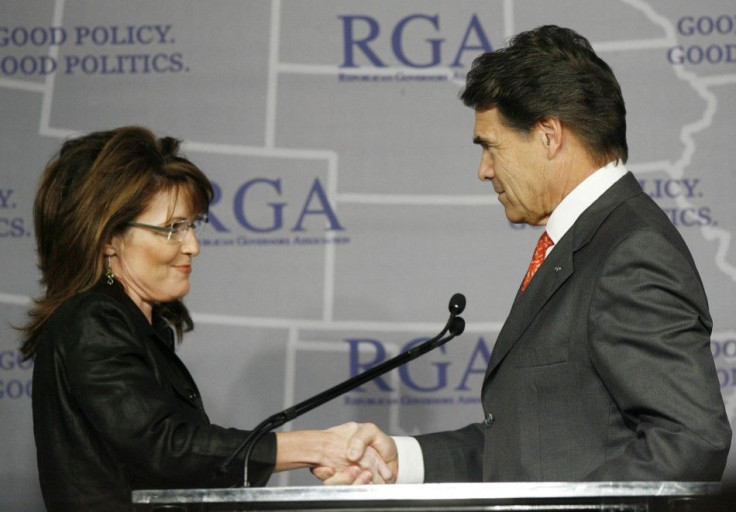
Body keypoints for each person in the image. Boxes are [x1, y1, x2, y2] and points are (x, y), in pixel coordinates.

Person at [316, 25, 732, 485]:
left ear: (549, 135)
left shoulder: (630, 252)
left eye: (491, 147)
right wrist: (405, 460)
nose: (484, 170)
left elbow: (691, 439)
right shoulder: (590, 241)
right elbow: (533, 449)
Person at [20, 126, 389, 511]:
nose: (192, 246)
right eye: (172, 229)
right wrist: (317, 447)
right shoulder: (92, 320)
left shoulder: (136, 329)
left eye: (193, 225)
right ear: (109, 238)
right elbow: (167, 448)